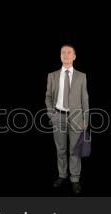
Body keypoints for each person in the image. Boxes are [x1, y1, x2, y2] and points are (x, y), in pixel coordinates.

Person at [45, 44, 89, 194]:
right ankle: (62, 175)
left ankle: (75, 179)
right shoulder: (52, 75)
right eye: (63, 52)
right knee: (61, 149)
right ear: (60, 56)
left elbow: (85, 99)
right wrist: (52, 115)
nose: (66, 54)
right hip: (58, 116)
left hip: (76, 117)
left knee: (74, 151)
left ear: (74, 56)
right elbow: (48, 97)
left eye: (69, 52)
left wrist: (85, 119)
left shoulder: (81, 76)